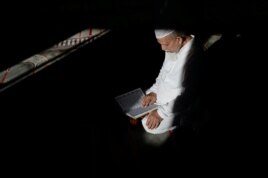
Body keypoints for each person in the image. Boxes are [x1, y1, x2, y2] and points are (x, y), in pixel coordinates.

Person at [141, 29, 205, 135]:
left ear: (179, 39)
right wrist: (153, 92)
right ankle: (153, 109)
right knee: (143, 97)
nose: (162, 48)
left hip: (179, 106)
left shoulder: (195, 57)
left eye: (165, 44)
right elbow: (163, 73)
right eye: (160, 44)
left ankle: (185, 121)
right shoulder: (174, 46)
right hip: (162, 97)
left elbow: (187, 97)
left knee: (147, 124)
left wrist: (160, 114)